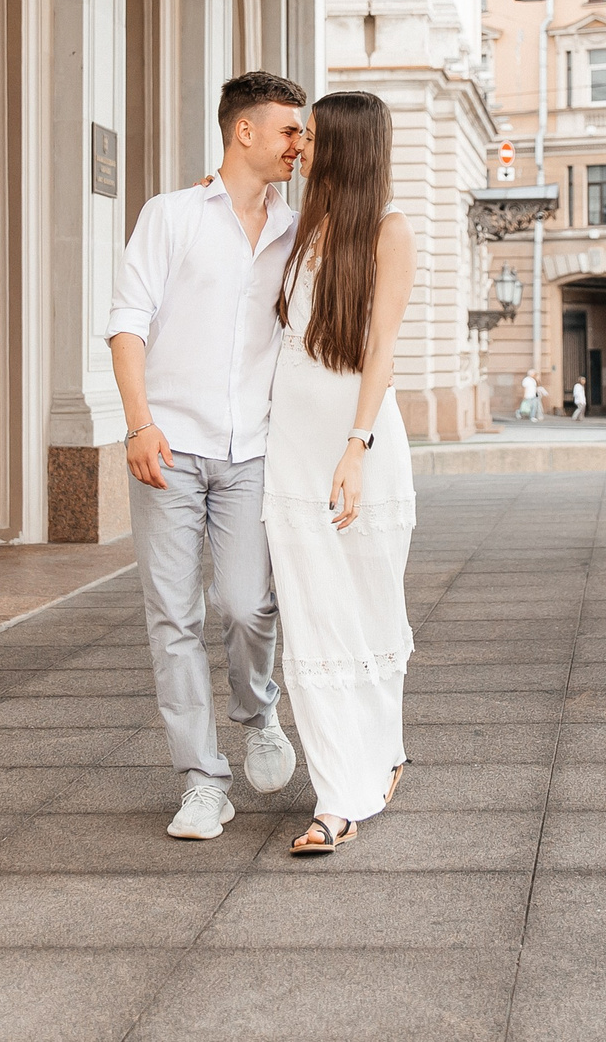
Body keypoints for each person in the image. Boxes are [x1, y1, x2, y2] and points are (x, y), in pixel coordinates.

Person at [106, 71, 310, 840]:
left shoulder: (300, 229)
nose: (301, 144)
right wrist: (138, 423)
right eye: (290, 129)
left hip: (254, 448)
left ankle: (259, 710)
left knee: (248, 600)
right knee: (173, 616)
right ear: (244, 132)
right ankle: (201, 780)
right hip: (170, 444)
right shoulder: (171, 216)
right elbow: (128, 323)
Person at [264, 91, 417, 857]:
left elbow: (380, 349)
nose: (299, 147)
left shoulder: (389, 233)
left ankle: (383, 753)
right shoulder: (299, 231)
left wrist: (355, 447)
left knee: (370, 618)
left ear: (347, 147)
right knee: (314, 626)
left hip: (359, 446)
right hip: (290, 447)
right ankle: (337, 797)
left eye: (313, 136)